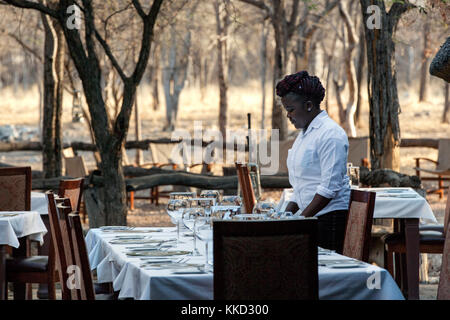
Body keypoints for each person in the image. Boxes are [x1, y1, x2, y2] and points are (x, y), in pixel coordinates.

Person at [276, 70, 350, 253]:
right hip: (311, 217)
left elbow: (328, 189)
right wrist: (283, 216)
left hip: (327, 221)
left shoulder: (330, 134)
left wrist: (301, 220)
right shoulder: (305, 134)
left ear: (309, 105)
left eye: (291, 110)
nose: (288, 116)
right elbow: (303, 186)